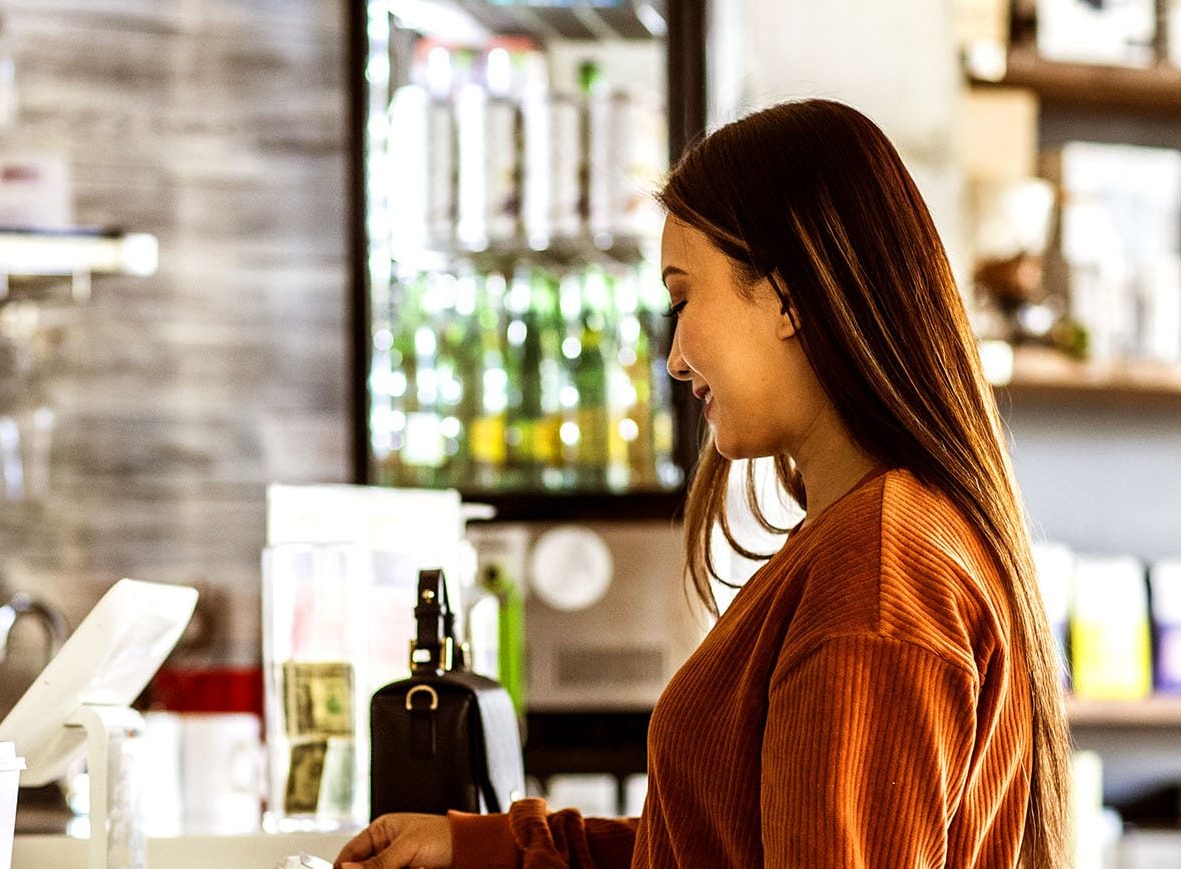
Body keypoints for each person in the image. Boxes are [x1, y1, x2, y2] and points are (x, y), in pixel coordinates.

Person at [339, 99, 1071, 868]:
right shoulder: (871, 538)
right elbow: (716, 847)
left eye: (684, 297)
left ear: (788, 295)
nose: (675, 357)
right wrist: (485, 843)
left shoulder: (876, 575)